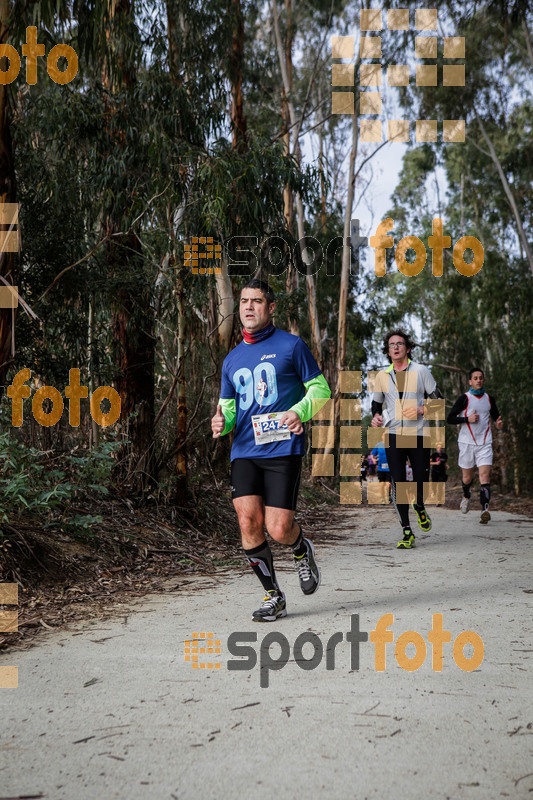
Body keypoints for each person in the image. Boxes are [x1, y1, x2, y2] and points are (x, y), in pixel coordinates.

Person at [211, 279, 331, 621]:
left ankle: (300, 547)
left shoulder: (292, 346)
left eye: (257, 301)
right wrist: (222, 423)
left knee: (278, 529)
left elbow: (320, 390)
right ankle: (273, 595)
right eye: (245, 301)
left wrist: (300, 411)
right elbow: (229, 408)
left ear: (271, 307)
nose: (249, 306)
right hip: (245, 450)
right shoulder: (231, 360)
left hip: (283, 448)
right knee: (248, 519)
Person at [370, 329, 443, 549]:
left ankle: (419, 505)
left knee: (421, 478)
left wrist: (422, 409)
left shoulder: (421, 371)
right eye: (392, 344)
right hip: (393, 434)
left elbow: (438, 401)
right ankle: (406, 531)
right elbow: (376, 403)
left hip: (419, 433)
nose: (395, 347)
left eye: (400, 343)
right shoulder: (382, 376)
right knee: (398, 481)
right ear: (388, 350)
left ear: (407, 348)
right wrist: (376, 416)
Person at [447, 368, 503, 523]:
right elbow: (450, 419)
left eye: (481, 378)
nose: (478, 380)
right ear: (470, 381)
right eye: (475, 378)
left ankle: (485, 509)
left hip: (485, 443)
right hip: (466, 443)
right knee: (467, 478)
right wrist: (466, 419)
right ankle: (466, 495)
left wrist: (498, 423)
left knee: (484, 476)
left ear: (483, 380)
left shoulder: (489, 399)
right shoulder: (464, 398)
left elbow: (496, 416)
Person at [371, 433, 391, 503]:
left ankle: (389, 495)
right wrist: (373, 459)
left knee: (388, 484)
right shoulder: (378, 445)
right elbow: (372, 454)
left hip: (389, 468)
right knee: (382, 484)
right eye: (384, 436)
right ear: (382, 436)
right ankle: (382, 499)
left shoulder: (391, 445)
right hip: (380, 468)